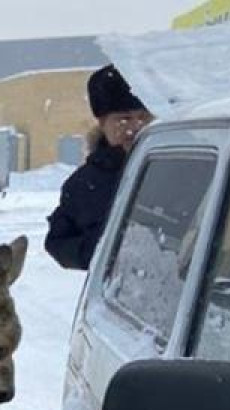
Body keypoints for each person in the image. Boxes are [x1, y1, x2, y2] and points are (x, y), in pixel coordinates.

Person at [45, 64, 152, 270]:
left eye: (143, 117)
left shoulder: (181, 168)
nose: (136, 127)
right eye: (124, 119)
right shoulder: (83, 184)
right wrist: (105, 252)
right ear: (102, 123)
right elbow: (58, 242)